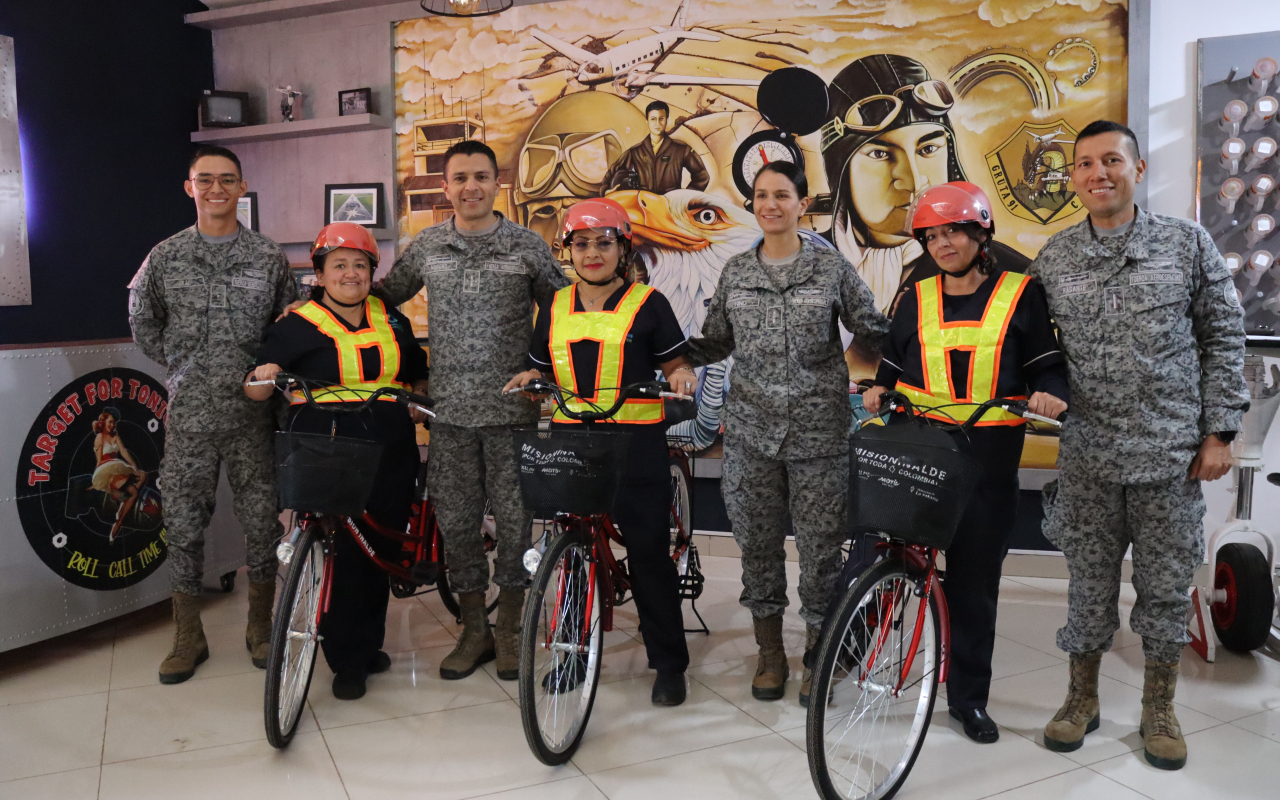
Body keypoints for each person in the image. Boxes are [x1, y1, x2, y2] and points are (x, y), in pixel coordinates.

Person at [1029, 120, 1247, 770]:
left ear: (1138, 169)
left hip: (1169, 456)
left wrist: (1221, 431)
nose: (1100, 174)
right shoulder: (1054, 258)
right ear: (1074, 178)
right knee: (1087, 587)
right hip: (1089, 459)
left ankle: (1159, 708)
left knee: (1162, 589)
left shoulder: (1186, 245)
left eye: (1113, 161)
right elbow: (1032, 348)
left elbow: (1223, 336)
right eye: (1087, 164)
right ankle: (1080, 700)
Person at [861, 181, 1070, 744]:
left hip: (987, 465)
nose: (943, 243)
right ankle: (846, 652)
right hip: (918, 453)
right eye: (931, 235)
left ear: (981, 234)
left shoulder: (1020, 294)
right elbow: (892, 361)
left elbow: (1048, 367)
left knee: (974, 588)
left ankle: (968, 700)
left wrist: (1051, 394)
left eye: (954, 230)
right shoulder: (916, 295)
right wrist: (879, 388)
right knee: (871, 550)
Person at [687, 161, 889, 705]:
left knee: (821, 550)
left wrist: (867, 375)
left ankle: (821, 650)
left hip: (818, 434)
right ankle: (770, 652)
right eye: (760, 196)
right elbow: (715, 343)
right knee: (757, 545)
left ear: (803, 204)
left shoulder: (831, 270)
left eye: (782, 195)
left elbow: (872, 329)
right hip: (751, 433)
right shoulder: (735, 272)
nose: (770, 204)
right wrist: (671, 359)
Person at [372, 140, 570, 682]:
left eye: (480, 176)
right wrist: (319, 301)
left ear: (497, 182)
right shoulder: (428, 245)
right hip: (450, 414)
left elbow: (569, 308)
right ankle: (474, 629)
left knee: (513, 524)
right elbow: (380, 299)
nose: (470, 187)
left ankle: (509, 628)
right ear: (446, 186)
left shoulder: (528, 246)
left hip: (513, 413)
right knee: (456, 524)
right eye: (459, 178)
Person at [505, 198, 699, 706]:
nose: (593, 253)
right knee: (572, 553)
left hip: (637, 450)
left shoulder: (647, 302)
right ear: (568, 250)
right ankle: (571, 653)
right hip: (575, 445)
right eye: (582, 243)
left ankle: (669, 664)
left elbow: (675, 363)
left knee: (648, 554)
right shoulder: (555, 304)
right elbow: (542, 365)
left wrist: (680, 376)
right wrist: (532, 377)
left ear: (623, 247)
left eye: (604, 242)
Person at [129, 144, 298, 684]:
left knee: (260, 522)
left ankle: (260, 627)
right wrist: (182, 369)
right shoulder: (165, 256)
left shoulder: (268, 257)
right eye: (206, 180)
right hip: (191, 416)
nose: (217, 188)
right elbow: (142, 321)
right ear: (190, 187)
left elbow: (289, 325)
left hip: (254, 415)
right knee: (182, 524)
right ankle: (187, 635)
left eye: (227, 179)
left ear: (242, 187)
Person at [246, 223, 429, 700]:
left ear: (373, 271)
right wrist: (263, 375)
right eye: (339, 265)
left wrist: (418, 398)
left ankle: (367, 646)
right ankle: (347, 659)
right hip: (325, 448)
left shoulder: (391, 318)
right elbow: (258, 388)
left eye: (360, 264)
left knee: (379, 549)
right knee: (345, 552)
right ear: (320, 274)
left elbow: (415, 373)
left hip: (389, 448)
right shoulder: (295, 325)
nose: (351, 273)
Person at [819, 54, 1031, 379]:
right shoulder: (807, 267)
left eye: (928, 149)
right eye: (880, 154)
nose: (915, 181)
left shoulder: (1012, 274)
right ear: (839, 169)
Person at [604, 100, 709, 195]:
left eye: (661, 119)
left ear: (667, 120)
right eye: (653, 119)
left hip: (669, 208)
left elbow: (702, 176)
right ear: (647, 122)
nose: (657, 123)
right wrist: (606, 191)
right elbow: (610, 175)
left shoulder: (681, 149)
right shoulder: (635, 151)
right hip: (643, 206)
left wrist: (684, 198)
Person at [91, 409, 144, 543]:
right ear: (103, 422)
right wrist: (98, 480)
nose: (112, 425)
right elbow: (99, 460)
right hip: (108, 471)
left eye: (113, 423)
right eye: (110, 422)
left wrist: (134, 468)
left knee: (142, 476)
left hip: (118, 468)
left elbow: (124, 453)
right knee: (133, 492)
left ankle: (123, 501)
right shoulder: (99, 437)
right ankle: (119, 521)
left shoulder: (115, 437)